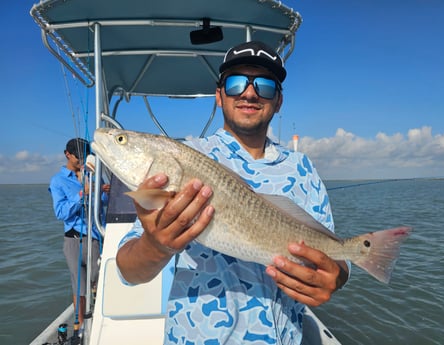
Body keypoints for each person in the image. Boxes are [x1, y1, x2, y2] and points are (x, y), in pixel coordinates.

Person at [116, 41, 350, 344]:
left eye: (265, 85)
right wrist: (155, 246)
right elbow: (128, 270)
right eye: (236, 82)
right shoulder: (184, 158)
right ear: (219, 96)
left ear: (278, 101)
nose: (250, 93)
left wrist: (336, 278)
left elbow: (334, 255)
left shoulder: (302, 168)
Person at [49, 138, 110, 329]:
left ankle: (101, 318)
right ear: (67, 154)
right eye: (78, 156)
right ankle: (80, 326)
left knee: (99, 280)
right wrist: (81, 194)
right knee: (79, 285)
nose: (82, 160)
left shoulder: (93, 173)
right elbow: (61, 213)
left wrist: (105, 192)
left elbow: (102, 203)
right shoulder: (58, 181)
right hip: (74, 239)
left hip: (96, 236)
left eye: (85, 156)